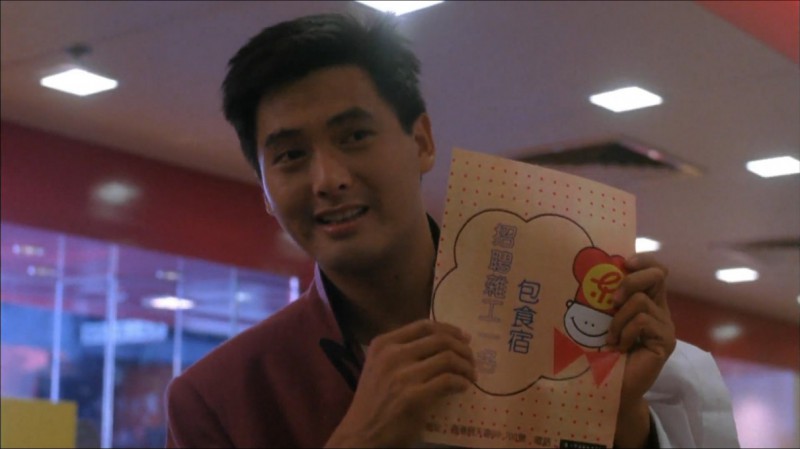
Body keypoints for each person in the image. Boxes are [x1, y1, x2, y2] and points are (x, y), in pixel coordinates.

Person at [165, 13, 738, 448]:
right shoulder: (218, 399)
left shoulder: (562, 322)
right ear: (265, 190)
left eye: (355, 136)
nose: (328, 179)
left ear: (421, 142)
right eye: (290, 155)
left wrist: (624, 422)